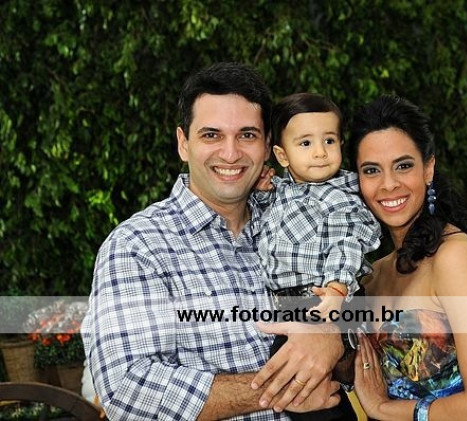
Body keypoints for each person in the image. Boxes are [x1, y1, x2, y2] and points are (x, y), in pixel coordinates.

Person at [81, 62, 345, 420]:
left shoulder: (297, 226)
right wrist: (282, 389)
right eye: (211, 135)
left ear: (267, 146)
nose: (231, 153)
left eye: (247, 135)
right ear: (183, 143)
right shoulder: (137, 247)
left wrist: (332, 336)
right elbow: (128, 390)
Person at [349, 95, 467, 420]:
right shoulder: (373, 274)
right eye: (371, 170)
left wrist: (384, 409)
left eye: (403, 165)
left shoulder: (455, 258)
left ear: (428, 168)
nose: (388, 184)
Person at [253, 92, 382, 420]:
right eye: (306, 143)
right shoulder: (285, 190)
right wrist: (261, 189)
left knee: (304, 382)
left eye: (329, 140)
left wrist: (337, 287)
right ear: (282, 155)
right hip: (292, 305)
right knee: (302, 389)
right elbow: (271, 222)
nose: (321, 152)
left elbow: (346, 243)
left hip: (325, 299)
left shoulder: (341, 197)